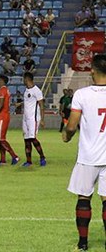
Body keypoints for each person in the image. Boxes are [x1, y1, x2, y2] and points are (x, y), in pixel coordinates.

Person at [62, 54, 106, 251]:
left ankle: (82, 243)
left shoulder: (82, 94)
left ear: (93, 71)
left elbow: (72, 125)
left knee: (84, 198)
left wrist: (66, 136)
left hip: (88, 156)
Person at [19, 73, 46, 167]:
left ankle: (42, 157)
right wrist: (20, 104)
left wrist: (42, 119)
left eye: (23, 79)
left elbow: (42, 105)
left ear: (27, 79)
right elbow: (29, 102)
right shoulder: (26, 90)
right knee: (26, 139)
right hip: (25, 118)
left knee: (32, 138)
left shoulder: (37, 91)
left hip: (33, 119)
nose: (23, 80)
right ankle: (28, 161)